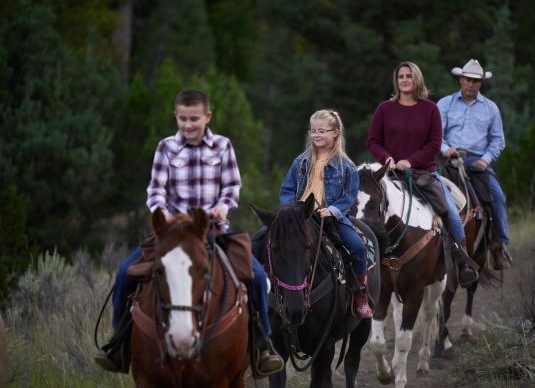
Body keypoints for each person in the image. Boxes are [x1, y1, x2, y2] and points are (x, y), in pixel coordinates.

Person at [94, 89, 283, 374]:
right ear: (176, 117)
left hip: (213, 232)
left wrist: (222, 206)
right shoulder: (166, 147)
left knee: (257, 277)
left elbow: (232, 187)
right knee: (123, 272)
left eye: (194, 118)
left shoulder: (222, 146)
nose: (188, 124)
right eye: (183, 119)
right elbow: (155, 189)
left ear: (207, 117)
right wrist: (164, 215)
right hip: (171, 234)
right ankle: (119, 343)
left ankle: (261, 345)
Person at [367, 61, 478, 286]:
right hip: (390, 175)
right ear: (396, 81)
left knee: (450, 212)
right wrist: (388, 158)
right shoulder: (385, 109)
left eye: (409, 76)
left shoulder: (430, 109)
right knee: (365, 209)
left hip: (423, 174)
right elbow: (373, 141)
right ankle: (363, 263)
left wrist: (410, 161)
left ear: (417, 79)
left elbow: (435, 143)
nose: (405, 80)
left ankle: (462, 259)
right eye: (401, 77)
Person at [280, 109, 373, 318]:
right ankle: (269, 291)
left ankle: (360, 294)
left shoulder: (346, 166)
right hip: (300, 217)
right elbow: (287, 189)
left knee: (357, 247)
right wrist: (290, 209)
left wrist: (331, 210)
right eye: (313, 131)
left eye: (322, 131)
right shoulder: (301, 162)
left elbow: (348, 197)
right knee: (265, 239)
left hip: (329, 217)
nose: (316, 135)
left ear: (335, 133)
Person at [437, 59, 512, 270]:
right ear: (461, 80)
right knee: (426, 189)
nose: (471, 84)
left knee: (497, 196)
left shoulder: (491, 108)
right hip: (448, 158)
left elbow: (498, 140)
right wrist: (445, 149)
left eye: (476, 81)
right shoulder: (444, 104)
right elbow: (435, 134)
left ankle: (499, 245)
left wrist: (485, 159)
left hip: (476, 160)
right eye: (468, 80)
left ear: (481, 83)